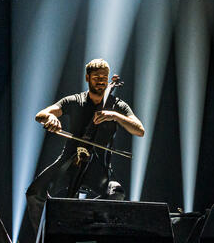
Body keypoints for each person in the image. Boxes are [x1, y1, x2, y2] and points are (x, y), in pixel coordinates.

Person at [26, 58, 145, 233]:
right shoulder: (75, 100)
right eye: (96, 77)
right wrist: (50, 117)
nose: (101, 81)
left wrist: (115, 115)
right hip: (69, 161)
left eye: (104, 77)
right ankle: (45, 235)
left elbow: (140, 130)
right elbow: (41, 114)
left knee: (116, 193)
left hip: (99, 167)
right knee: (35, 193)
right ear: (87, 78)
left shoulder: (117, 105)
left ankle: (90, 227)